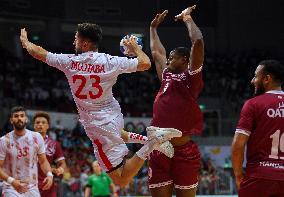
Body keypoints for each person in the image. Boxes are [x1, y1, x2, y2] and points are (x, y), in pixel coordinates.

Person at [20, 22, 182, 187]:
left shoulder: (69, 62)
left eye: (76, 39)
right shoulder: (109, 61)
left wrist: (25, 42)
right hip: (113, 114)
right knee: (121, 134)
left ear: (85, 43)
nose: (73, 42)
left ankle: (152, 143)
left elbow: (39, 53)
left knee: (121, 180)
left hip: (98, 126)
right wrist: (136, 49)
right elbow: (145, 63)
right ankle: (153, 139)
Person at [148, 5, 204, 197]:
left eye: (173, 57)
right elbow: (157, 54)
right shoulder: (166, 76)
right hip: (159, 148)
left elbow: (198, 42)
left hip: (184, 150)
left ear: (184, 60)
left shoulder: (191, 78)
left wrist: (187, 18)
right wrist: (153, 29)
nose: (168, 59)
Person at [232, 60, 284, 197]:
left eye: (256, 76)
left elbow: (238, 144)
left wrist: (238, 175)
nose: (252, 80)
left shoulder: (253, 104)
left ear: (267, 79)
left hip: (259, 177)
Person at [0, 106, 53, 196]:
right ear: (11, 120)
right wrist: (12, 181)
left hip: (32, 188)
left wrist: (49, 174)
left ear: (26, 119)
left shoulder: (37, 137)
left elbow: (43, 161)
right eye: (16, 116)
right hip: (11, 188)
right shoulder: (4, 140)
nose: (19, 118)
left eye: (22, 116)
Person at [32, 111, 67, 197]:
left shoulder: (54, 144)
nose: (40, 125)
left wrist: (59, 170)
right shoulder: (25, 141)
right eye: (37, 122)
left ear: (48, 126)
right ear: (34, 125)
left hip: (47, 184)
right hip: (29, 185)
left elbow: (62, 163)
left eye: (43, 123)